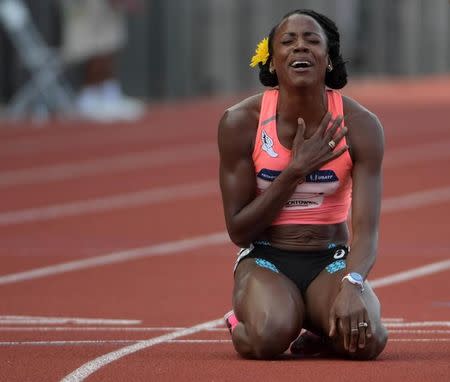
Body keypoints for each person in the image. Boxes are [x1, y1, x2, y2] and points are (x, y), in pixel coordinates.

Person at [218, 9, 388, 360]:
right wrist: (295, 171)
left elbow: (366, 230)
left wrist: (353, 283)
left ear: (328, 59)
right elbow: (238, 230)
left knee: (368, 341)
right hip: (266, 258)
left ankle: (318, 328)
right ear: (273, 61)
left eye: (312, 41)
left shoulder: (361, 125)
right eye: (288, 42)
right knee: (269, 337)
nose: (300, 48)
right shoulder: (241, 123)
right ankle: (242, 320)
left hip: (330, 260)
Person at [60, 0, 144, 122]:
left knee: (109, 45)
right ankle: (90, 98)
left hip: (103, 10)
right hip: (88, 10)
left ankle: (108, 95)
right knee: (96, 48)